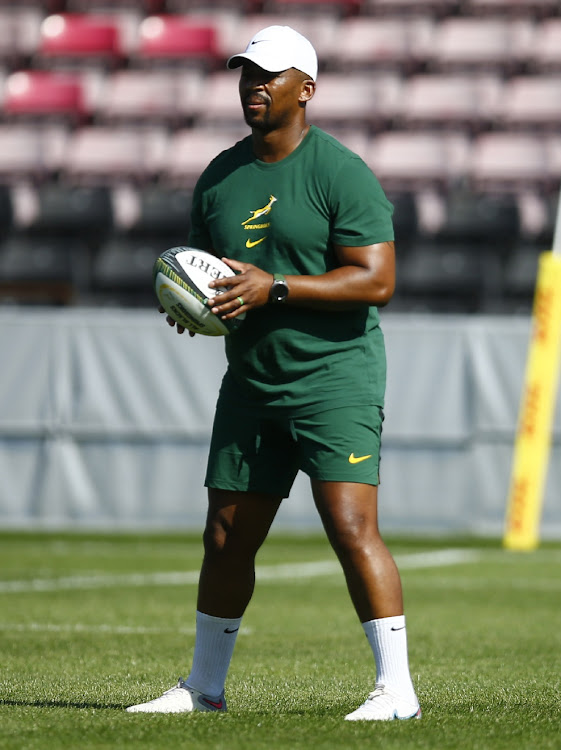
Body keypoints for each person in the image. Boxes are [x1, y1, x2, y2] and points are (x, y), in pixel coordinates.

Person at [126, 25, 420, 722]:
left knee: (351, 526)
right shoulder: (220, 176)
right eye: (245, 74)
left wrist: (276, 288)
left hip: (335, 378)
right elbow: (207, 276)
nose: (253, 85)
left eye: (269, 75)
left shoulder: (340, 171)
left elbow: (378, 279)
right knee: (225, 535)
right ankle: (204, 689)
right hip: (252, 384)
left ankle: (396, 691)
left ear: (306, 90)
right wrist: (196, 306)